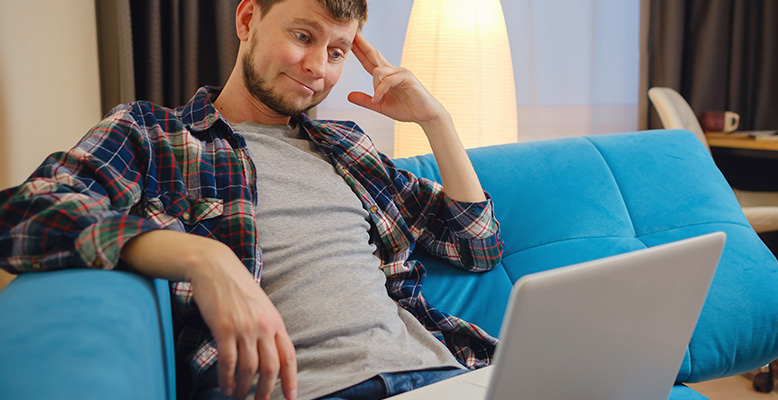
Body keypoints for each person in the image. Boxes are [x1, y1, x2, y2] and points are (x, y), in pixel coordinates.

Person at [0, 0, 504, 399]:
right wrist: (203, 257)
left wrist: (436, 121)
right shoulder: (153, 135)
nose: (317, 67)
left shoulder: (348, 146)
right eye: (302, 36)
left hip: (443, 374)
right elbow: (27, 213)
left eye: (337, 52)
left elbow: (476, 245)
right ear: (247, 20)